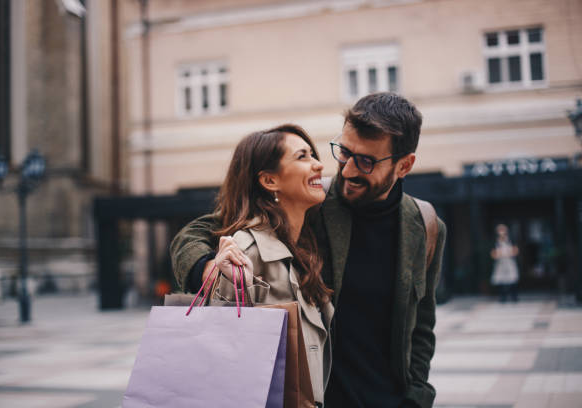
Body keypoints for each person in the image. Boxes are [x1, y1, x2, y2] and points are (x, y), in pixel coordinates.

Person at [171, 93, 446, 408]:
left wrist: (416, 399)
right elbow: (194, 234)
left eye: (366, 161)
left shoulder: (425, 226)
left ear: (404, 165)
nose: (347, 171)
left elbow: (421, 327)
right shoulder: (312, 199)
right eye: (344, 152)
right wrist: (207, 269)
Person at [186, 124, 334, 406]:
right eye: (303, 157)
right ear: (269, 181)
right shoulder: (244, 250)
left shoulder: (305, 248)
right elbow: (220, 362)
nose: (318, 164)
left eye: (313, 154)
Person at [490, 224, 519, 302]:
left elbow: (515, 251)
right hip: (500, 263)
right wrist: (498, 255)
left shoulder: (511, 240)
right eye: (500, 230)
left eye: (503, 230)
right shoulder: (495, 241)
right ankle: (502, 297)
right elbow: (493, 254)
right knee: (500, 280)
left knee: (512, 279)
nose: (501, 232)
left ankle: (514, 297)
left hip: (509, 262)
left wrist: (508, 254)